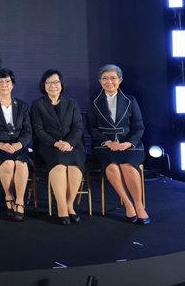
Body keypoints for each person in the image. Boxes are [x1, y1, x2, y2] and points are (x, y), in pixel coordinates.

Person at [87, 64, 149, 224]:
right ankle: (128, 204)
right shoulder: (94, 101)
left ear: (120, 80)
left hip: (130, 145)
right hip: (104, 146)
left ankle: (139, 206)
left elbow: (139, 126)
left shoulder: (130, 100)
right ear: (100, 81)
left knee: (128, 166)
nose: (109, 82)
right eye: (105, 78)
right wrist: (107, 142)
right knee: (112, 167)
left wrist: (129, 143)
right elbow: (91, 127)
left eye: (113, 78)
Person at [31, 69, 85, 225]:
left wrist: (69, 143)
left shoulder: (72, 103)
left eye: (56, 82)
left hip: (72, 145)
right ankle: (62, 207)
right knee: (60, 167)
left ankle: (70, 205)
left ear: (61, 84)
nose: (52, 86)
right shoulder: (38, 104)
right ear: (44, 85)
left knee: (74, 167)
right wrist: (55, 143)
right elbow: (38, 130)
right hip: (48, 145)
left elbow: (78, 127)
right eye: (48, 83)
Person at [0, 69, 32, 221]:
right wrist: (0, 144)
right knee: (8, 164)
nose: (4, 85)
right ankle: (9, 196)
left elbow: (28, 130)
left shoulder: (22, 105)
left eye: (7, 82)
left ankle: (20, 201)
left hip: (18, 145)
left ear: (13, 85)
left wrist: (20, 144)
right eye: (0, 82)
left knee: (21, 164)